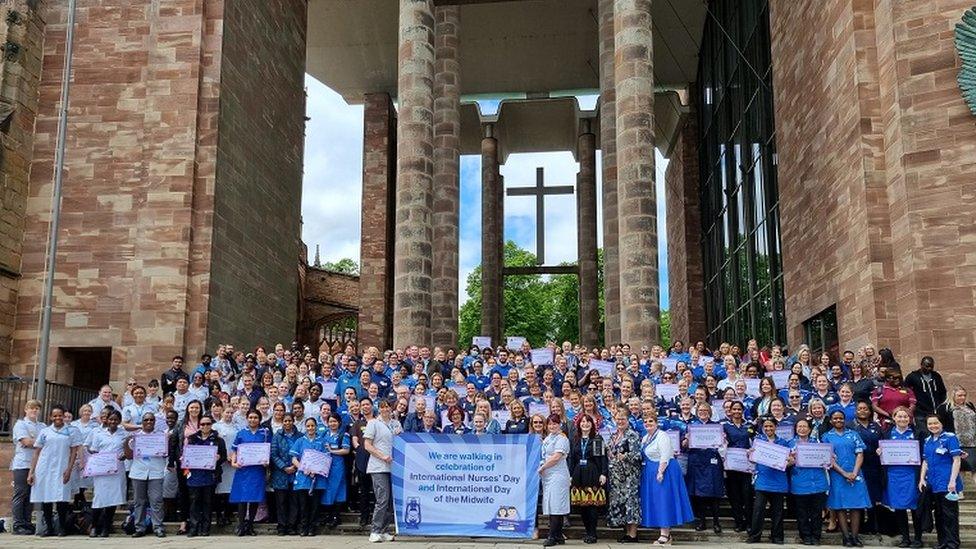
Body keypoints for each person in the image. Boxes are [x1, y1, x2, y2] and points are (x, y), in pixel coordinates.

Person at [640, 412, 694, 546]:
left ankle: (665, 534)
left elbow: (665, 455)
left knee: (663, 501)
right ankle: (663, 532)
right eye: (645, 422)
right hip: (650, 471)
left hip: (664, 471)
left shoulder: (662, 436)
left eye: (650, 421)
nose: (648, 424)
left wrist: (660, 472)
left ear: (656, 423)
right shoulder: (645, 437)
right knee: (657, 502)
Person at [27, 404, 78, 537]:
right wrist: (31, 472)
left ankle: (61, 527)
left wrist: (69, 469)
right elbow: (37, 452)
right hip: (45, 468)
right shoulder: (45, 432)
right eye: (55, 415)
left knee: (62, 499)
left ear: (63, 416)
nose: (57, 418)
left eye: (60, 415)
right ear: (50, 417)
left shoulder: (71, 431)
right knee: (46, 498)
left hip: (62, 467)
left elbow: (73, 452)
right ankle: (49, 528)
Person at [822, 409, 871, 547]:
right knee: (840, 506)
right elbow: (828, 458)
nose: (838, 421)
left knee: (856, 506)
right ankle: (846, 537)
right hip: (837, 475)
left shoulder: (854, 434)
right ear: (831, 421)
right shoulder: (826, 436)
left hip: (856, 474)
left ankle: (855, 537)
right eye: (835, 418)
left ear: (844, 419)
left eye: (841, 418)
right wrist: (844, 473)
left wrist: (854, 473)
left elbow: (860, 454)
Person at [881, 407, 923, 548]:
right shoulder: (887, 433)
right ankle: (905, 538)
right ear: (894, 418)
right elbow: (883, 454)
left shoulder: (917, 433)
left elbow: (923, 454)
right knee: (899, 508)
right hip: (893, 476)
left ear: (909, 418)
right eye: (899, 417)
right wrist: (879, 452)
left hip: (912, 475)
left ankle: (918, 538)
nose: (902, 419)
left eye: (905, 417)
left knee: (915, 508)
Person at [919, 414, 962, 549]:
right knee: (938, 514)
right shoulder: (927, 440)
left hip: (947, 482)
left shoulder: (950, 438)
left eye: (935, 423)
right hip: (933, 482)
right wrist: (921, 479)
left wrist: (952, 481)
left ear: (941, 423)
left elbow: (957, 460)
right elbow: (925, 461)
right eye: (930, 424)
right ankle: (942, 542)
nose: (933, 426)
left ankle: (952, 543)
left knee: (950, 515)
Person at [747, 416, 791, 545]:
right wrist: (749, 454)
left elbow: (788, 462)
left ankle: (777, 537)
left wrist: (787, 463)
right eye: (766, 426)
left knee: (777, 511)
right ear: (762, 428)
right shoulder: (758, 441)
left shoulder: (783, 443)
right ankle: (755, 536)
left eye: (771, 426)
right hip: (763, 479)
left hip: (778, 481)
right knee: (758, 510)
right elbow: (751, 459)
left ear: (775, 427)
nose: (768, 428)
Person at [182, 413, 226, 537]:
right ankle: (194, 528)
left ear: (211, 425)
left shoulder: (218, 440)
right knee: (194, 502)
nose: (205, 426)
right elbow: (184, 454)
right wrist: (184, 458)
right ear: (199, 425)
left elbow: (223, 456)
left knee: (208, 503)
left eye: (208, 424)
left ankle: (206, 528)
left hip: (210, 476)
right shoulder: (191, 439)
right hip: (194, 476)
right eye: (202, 424)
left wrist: (218, 458)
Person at [229, 409, 272, 536]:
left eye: (255, 417)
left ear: (259, 419)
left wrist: (266, 461)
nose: (253, 420)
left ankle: (250, 525)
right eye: (250, 417)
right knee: (242, 498)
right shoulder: (241, 433)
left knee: (254, 498)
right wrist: (233, 462)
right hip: (243, 469)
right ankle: (241, 525)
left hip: (257, 470)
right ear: (247, 418)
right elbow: (235, 450)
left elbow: (269, 450)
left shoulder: (265, 433)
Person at [124, 412, 167, 538]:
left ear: (155, 422)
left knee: (157, 500)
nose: (149, 422)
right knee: (139, 501)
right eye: (146, 420)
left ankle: (158, 527)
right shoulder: (135, 436)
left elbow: (165, 453)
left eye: (151, 420)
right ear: (142, 422)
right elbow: (128, 455)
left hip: (156, 471)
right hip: (138, 471)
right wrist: (127, 442)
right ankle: (139, 527)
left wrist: (162, 445)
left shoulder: (161, 436)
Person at [684, 402, 725, 534]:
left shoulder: (717, 426)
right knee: (699, 494)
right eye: (700, 410)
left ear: (710, 412)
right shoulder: (691, 426)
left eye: (705, 410)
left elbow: (722, 445)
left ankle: (716, 522)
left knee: (714, 493)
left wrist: (722, 440)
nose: (703, 412)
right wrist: (686, 440)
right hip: (697, 462)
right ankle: (702, 521)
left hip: (712, 462)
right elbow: (684, 445)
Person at [568, 413, 608, 544]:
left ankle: (592, 533)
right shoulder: (575, 439)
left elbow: (602, 458)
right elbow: (572, 459)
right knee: (582, 505)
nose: (585, 424)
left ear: (592, 424)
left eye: (588, 422)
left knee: (592, 505)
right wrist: (570, 475)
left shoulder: (597, 439)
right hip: (578, 473)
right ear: (579, 424)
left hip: (592, 472)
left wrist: (603, 473)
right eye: (583, 422)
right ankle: (587, 531)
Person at [363, 399, 399, 543]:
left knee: (390, 501)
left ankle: (383, 530)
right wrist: (382, 456)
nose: (385, 409)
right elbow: (367, 445)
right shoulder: (373, 423)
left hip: (394, 467)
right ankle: (375, 530)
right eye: (382, 407)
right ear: (379, 409)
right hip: (378, 467)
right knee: (382, 499)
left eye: (388, 407)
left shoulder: (396, 424)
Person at [789, 418, 828, 546]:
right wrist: (792, 460)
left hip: (818, 482)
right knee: (802, 512)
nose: (802, 429)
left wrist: (830, 458)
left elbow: (827, 460)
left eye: (805, 426)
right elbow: (785, 463)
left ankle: (816, 536)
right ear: (795, 429)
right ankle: (805, 535)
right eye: (799, 426)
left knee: (817, 512)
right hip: (800, 482)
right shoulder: (789, 444)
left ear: (810, 429)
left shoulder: (817, 443)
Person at [606, 407, 642, 543]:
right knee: (622, 504)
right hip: (616, 477)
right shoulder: (614, 435)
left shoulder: (632, 435)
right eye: (618, 419)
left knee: (631, 503)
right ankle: (627, 533)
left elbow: (637, 455)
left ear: (628, 420)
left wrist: (624, 456)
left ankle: (633, 534)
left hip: (629, 476)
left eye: (623, 419)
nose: (620, 421)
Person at [10, 399, 43, 535]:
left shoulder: (42, 426)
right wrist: (38, 442)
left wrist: (34, 441)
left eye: (36, 409)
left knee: (30, 495)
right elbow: (26, 441)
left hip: (37, 464)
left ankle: (27, 523)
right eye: (31, 408)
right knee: (21, 493)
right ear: (26, 410)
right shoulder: (20, 424)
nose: (34, 411)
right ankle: (18, 523)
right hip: (23, 463)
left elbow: (46, 441)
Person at [290, 417, 327, 536]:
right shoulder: (300, 441)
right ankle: (303, 527)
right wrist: (302, 468)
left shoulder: (322, 441)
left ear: (316, 427)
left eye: (312, 426)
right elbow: (294, 458)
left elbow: (325, 459)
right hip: (303, 478)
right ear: (305, 427)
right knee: (303, 505)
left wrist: (316, 470)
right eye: (308, 426)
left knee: (315, 506)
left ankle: (312, 528)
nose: (310, 428)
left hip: (317, 478)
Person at [539, 413, 571, 547]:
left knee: (556, 506)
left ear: (560, 424)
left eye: (555, 423)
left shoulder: (562, 439)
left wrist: (543, 467)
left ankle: (552, 535)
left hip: (558, 475)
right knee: (551, 505)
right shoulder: (547, 438)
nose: (552, 426)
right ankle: (558, 535)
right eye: (550, 424)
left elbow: (557, 457)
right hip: (548, 476)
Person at [722, 400, 754, 532]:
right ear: (730, 411)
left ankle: (749, 522)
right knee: (734, 496)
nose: (736, 412)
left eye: (739, 409)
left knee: (747, 495)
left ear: (743, 411)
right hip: (732, 467)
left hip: (746, 466)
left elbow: (754, 442)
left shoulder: (750, 425)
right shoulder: (725, 426)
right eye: (734, 409)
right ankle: (738, 522)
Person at [936, 386, 976, 486]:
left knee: (974, 468)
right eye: (959, 395)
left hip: (972, 442)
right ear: (952, 396)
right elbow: (941, 425)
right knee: (959, 467)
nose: (962, 398)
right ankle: (959, 490)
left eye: (964, 395)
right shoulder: (944, 408)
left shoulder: (969, 405)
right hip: (956, 442)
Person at [270, 412, 300, 535]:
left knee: (294, 501)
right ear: (282, 422)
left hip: (295, 472)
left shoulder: (300, 436)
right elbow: (273, 454)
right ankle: (282, 526)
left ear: (293, 421)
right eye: (285, 421)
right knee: (281, 502)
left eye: (289, 420)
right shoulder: (277, 436)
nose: (287, 423)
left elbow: (302, 452)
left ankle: (292, 525)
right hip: (280, 473)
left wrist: (294, 466)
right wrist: (284, 467)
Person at [320, 413, 351, 529]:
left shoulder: (343, 435)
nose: (332, 424)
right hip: (325, 466)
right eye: (330, 421)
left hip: (337, 466)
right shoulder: (324, 434)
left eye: (335, 421)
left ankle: (335, 516)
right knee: (327, 490)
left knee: (337, 489)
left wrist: (332, 452)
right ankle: (328, 515)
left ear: (339, 423)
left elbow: (346, 450)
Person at [905, 356, 947, 437]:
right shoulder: (912, 376)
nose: (929, 368)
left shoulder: (936, 376)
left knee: (937, 433)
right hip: (920, 411)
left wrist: (940, 404)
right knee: (924, 434)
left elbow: (942, 391)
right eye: (927, 366)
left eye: (931, 366)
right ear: (921, 365)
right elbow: (906, 392)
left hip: (935, 411)